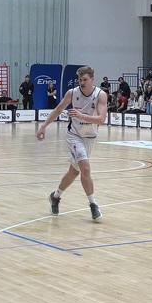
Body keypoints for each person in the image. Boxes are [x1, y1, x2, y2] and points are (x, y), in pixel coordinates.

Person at [39, 67, 109, 221]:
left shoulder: (100, 95)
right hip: (74, 135)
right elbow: (58, 109)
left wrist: (81, 115)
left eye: (85, 80)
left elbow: (101, 120)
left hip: (90, 137)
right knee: (85, 168)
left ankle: (55, 196)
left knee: (74, 172)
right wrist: (43, 126)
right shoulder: (72, 93)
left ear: (92, 79)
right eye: (79, 80)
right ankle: (93, 205)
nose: (82, 82)